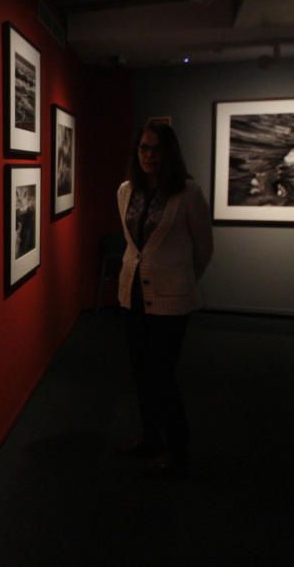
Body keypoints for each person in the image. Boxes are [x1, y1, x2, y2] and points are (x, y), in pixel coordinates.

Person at [117, 120, 213, 478]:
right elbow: (133, 244)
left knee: (163, 375)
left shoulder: (188, 193)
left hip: (172, 300)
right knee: (142, 373)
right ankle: (150, 437)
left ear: (169, 153)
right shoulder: (125, 191)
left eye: (156, 149)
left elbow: (204, 248)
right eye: (143, 148)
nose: (149, 156)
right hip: (133, 296)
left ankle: (178, 448)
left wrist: (182, 279)